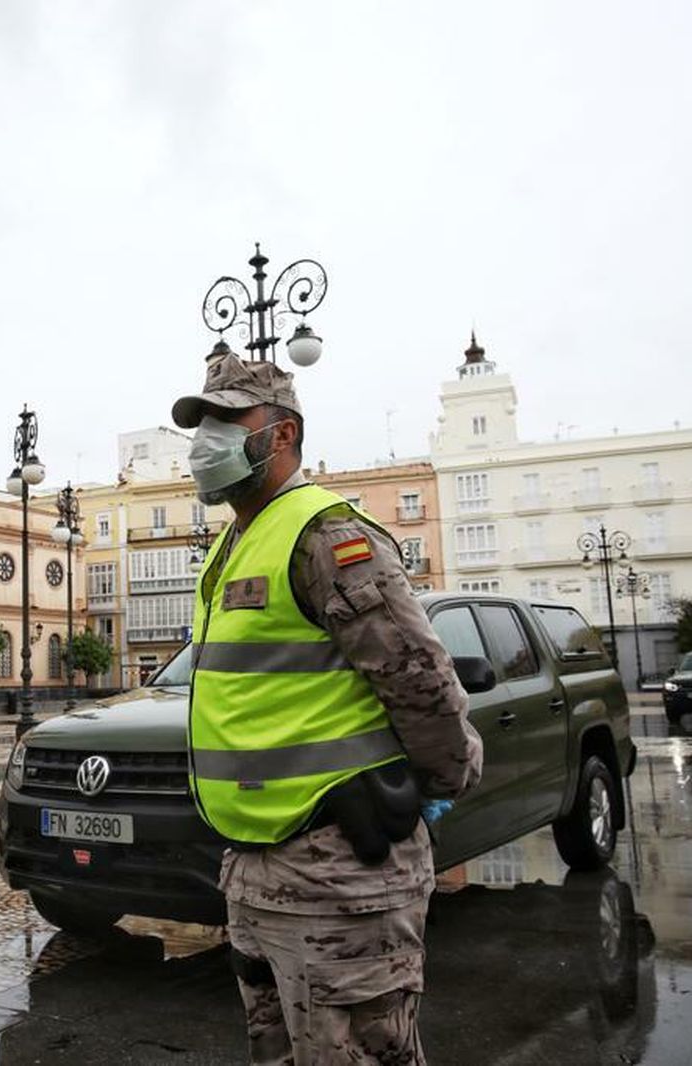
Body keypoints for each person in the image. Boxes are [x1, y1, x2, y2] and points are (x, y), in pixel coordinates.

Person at [173, 345, 483, 1064]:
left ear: (281, 434)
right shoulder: (236, 544)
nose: (204, 443)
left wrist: (438, 783)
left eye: (225, 421)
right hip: (256, 871)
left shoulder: (326, 534)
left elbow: (418, 676)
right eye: (200, 425)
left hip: (341, 871)